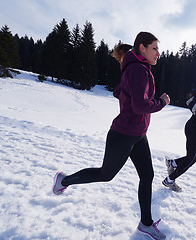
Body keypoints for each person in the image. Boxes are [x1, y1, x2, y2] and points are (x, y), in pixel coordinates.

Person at [52, 31, 170, 240]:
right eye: (154, 48)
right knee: (106, 174)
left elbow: (120, 92)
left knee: (147, 175)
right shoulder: (138, 70)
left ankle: (146, 223)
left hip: (138, 134)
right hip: (123, 134)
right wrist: (162, 101)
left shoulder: (138, 69)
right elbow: (140, 105)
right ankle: (64, 180)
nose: (158, 53)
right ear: (142, 48)